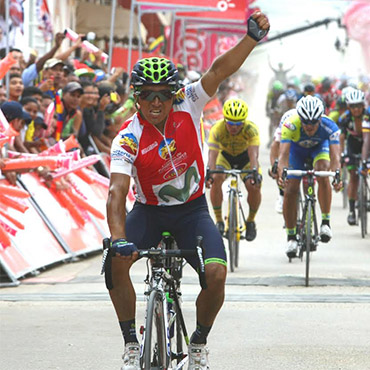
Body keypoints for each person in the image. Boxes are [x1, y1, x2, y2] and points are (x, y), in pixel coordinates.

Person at [106, 12, 269, 370]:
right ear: (136, 97)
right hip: (147, 212)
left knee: (215, 274)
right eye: (146, 95)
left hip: (192, 211)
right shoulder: (128, 137)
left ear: (174, 94)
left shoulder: (189, 104)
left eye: (163, 95)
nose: (155, 103)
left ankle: (198, 344)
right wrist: (118, 238)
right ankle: (132, 343)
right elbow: (117, 192)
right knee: (114, 263)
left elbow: (217, 70)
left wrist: (251, 39)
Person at [277, 95, 342, 259]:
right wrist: (281, 173)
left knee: (322, 171)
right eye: (306, 122)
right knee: (291, 187)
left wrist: (337, 175)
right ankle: (291, 237)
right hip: (296, 153)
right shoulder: (290, 124)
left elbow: (335, 158)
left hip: (319, 149)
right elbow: (283, 155)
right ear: (300, 118)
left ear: (320, 119)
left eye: (314, 122)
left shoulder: (330, 126)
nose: (310, 126)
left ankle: (325, 223)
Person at [206, 97, 262, 241]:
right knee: (217, 178)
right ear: (224, 120)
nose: (234, 127)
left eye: (238, 124)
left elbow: (253, 154)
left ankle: (250, 221)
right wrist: (210, 172)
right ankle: (218, 220)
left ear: (244, 121)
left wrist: (255, 171)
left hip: (245, 158)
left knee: (253, 185)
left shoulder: (251, 129)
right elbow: (212, 154)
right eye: (230, 123)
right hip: (225, 157)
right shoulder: (217, 129)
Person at [339, 89, 370, 225]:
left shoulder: (368, 115)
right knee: (353, 176)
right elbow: (341, 138)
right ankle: (352, 210)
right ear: (348, 107)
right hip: (352, 146)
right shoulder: (344, 119)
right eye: (353, 106)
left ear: (363, 105)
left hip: (367, 144)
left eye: (359, 106)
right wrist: (341, 154)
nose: (356, 109)